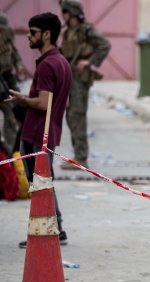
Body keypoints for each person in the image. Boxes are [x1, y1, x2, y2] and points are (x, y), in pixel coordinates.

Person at [6, 12, 72, 248]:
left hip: (36, 135)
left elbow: (44, 103)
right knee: (45, 183)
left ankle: (44, 233)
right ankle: (57, 228)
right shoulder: (62, 62)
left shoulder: (47, 65)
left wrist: (21, 99)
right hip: (48, 133)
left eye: (33, 32)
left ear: (47, 34)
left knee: (40, 186)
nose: (28, 37)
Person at [59, 0, 111, 169]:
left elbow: (105, 45)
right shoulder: (68, 32)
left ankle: (81, 158)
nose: (63, 15)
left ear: (72, 13)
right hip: (69, 77)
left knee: (78, 116)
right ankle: (77, 154)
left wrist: (90, 62)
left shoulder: (86, 30)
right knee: (69, 116)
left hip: (80, 79)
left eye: (65, 12)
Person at [0, 12, 27, 153]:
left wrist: (18, 64)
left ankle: (9, 153)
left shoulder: (7, 40)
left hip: (6, 82)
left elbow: (14, 53)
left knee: (11, 118)